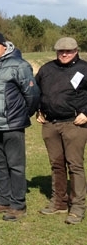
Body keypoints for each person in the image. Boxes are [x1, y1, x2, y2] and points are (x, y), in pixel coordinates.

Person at [0, 32, 39, 221]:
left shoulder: (19, 65)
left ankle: (18, 204)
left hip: (11, 124)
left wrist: (21, 115)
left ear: (5, 46)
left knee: (16, 165)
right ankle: (3, 200)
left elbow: (32, 94)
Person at [35, 37, 87, 225]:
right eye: (60, 51)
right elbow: (36, 92)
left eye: (68, 51)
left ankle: (78, 207)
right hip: (50, 125)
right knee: (56, 165)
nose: (64, 54)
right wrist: (37, 110)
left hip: (74, 124)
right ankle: (59, 202)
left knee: (75, 165)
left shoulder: (84, 68)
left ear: (76, 50)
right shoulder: (47, 69)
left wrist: (86, 113)